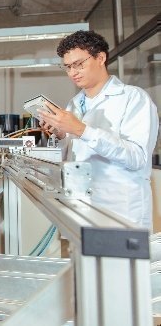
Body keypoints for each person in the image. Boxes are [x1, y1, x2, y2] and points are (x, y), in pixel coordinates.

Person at [38, 30, 159, 228]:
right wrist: (60, 135)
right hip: (82, 208)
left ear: (100, 57)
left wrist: (82, 130)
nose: (72, 73)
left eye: (78, 64)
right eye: (67, 67)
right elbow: (73, 158)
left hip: (121, 211)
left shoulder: (133, 98)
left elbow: (138, 157)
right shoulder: (74, 104)